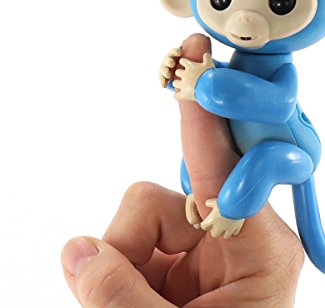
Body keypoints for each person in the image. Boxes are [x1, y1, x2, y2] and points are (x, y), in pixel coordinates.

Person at [61, 34, 304, 307]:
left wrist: (203, 84)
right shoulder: (241, 66)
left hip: (291, 152)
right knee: (200, 150)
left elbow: (280, 105)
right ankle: (193, 193)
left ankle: (233, 210)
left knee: (262, 156)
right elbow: (223, 82)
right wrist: (181, 75)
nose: (245, 19)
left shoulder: (285, 70)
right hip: (241, 148)